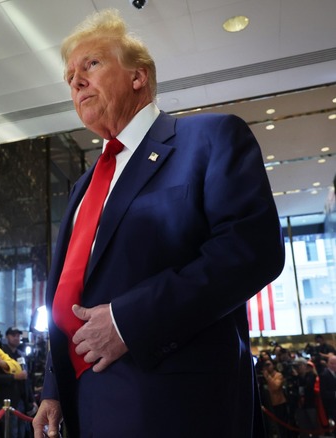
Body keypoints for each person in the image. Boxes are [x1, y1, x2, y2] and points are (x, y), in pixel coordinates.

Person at [31, 8, 285, 437]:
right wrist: (54, 388)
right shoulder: (82, 187)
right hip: (86, 407)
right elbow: (71, 290)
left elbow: (251, 249)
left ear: (139, 77)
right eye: (69, 75)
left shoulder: (211, 138)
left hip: (176, 408)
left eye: (91, 63)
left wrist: (130, 320)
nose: (75, 81)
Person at [0, 327, 34, 438]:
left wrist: (32, 400)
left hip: (22, 401)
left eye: (18, 335)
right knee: (11, 433)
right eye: (13, 335)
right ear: (7, 337)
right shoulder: (0, 354)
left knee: (22, 432)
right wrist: (14, 377)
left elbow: (26, 379)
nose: (16, 338)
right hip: (6, 401)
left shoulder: (22, 355)